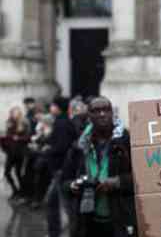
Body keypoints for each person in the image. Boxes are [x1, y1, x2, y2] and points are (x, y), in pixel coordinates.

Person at [62, 96, 137, 237]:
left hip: (120, 221)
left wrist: (118, 182)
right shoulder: (79, 145)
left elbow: (144, 178)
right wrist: (73, 185)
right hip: (87, 222)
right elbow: (65, 181)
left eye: (106, 110)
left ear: (112, 113)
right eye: (96, 111)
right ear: (89, 115)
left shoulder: (127, 140)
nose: (102, 114)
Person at [46, 96, 78, 237]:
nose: (50, 108)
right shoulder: (63, 121)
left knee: (61, 204)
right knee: (58, 203)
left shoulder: (62, 123)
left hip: (61, 169)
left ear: (58, 107)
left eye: (52, 105)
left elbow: (61, 146)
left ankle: (60, 232)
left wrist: (48, 149)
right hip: (61, 169)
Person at [2, 104, 30, 199]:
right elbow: (7, 135)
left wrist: (19, 138)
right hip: (11, 151)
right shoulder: (10, 122)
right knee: (7, 172)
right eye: (12, 112)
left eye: (16, 112)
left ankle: (23, 192)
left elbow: (28, 137)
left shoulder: (24, 122)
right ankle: (15, 190)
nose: (14, 114)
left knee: (19, 173)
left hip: (20, 151)